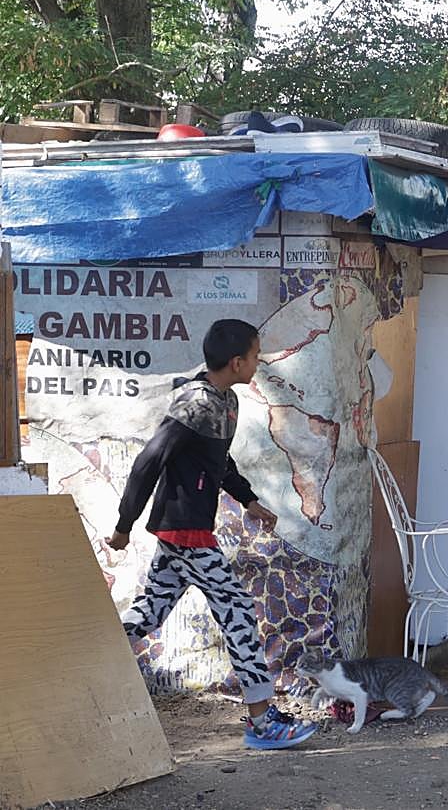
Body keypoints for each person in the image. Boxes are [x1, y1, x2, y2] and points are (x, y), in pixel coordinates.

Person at [106, 319, 317, 750]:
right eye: (255, 356)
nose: (258, 363)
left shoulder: (227, 402)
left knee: (147, 614)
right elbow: (149, 461)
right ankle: (262, 721)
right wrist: (124, 527)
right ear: (237, 362)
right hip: (185, 531)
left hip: (188, 530)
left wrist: (250, 500)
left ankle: (80, 655)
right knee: (238, 611)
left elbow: (219, 461)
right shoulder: (195, 402)